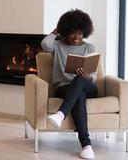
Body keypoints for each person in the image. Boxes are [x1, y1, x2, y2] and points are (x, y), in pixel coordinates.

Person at [41, 9, 98, 159]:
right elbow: (45, 44)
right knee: (78, 95)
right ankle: (86, 146)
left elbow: (94, 77)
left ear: (85, 32)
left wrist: (86, 76)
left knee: (79, 80)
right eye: (72, 32)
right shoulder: (58, 45)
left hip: (88, 86)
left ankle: (60, 114)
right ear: (65, 31)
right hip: (63, 88)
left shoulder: (89, 48)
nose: (76, 37)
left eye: (80, 33)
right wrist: (56, 30)